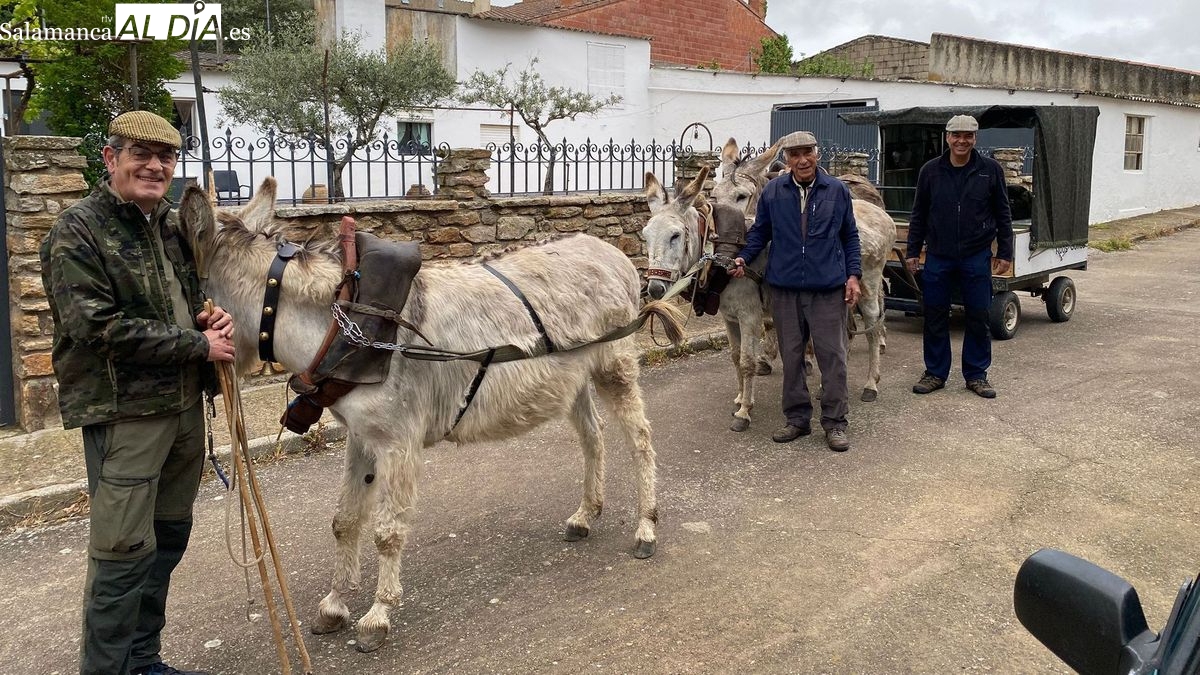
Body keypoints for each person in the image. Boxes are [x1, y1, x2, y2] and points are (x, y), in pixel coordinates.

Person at [40, 110, 236, 675]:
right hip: (125, 413)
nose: (154, 167)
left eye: (165, 157)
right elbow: (95, 326)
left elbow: (187, 299)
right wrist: (199, 347)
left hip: (181, 410)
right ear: (111, 159)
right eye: (140, 155)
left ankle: (142, 660)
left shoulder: (170, 227)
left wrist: (210, 317)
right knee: (123, 551)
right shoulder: (77, 231)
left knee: (167, 536)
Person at [732, 131, 862, 452]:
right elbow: (761, 231)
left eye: (807, 153)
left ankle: (834, 423)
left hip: (828, 288)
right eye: (795, 155)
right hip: (785, 289)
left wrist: (853, 276)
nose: (802, 160)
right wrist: (743, 257)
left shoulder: (837, 191)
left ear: (816, 154)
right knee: (791, 358)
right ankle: (797, 420)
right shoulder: (774, 192)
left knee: (832, 357)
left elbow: (850, 237)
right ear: (786, 160)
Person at [905, 114, 1014, 399]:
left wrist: (1005, 252)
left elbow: (1003, 213)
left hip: (976, 255)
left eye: (968, 136)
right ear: (948, 137)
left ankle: (977, 375)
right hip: (939, 255)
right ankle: (935, 373)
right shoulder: (930, 171)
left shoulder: (990, 171)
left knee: (978, 314)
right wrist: (913, 251)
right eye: (957, 135)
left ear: (975, 138)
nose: (962, 141)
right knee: (935, 314)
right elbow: (918, 214)